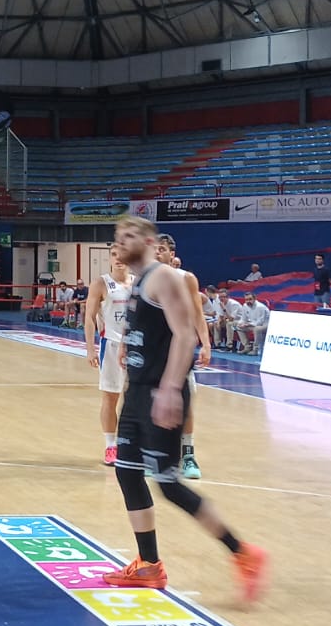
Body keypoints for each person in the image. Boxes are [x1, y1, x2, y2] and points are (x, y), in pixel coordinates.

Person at [102, 215, 266, 599]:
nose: (121, 242)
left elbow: (184, 334)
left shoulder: (163, 277)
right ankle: (148, 564)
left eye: (129, 236)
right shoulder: (139, 281)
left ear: (149, 241)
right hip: (138, 391)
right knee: (127, 473)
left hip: (161, 392)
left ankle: (243, 553)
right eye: (118, 237)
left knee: (169, 485)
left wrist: (171, 389)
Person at [154, 234, 211, 480]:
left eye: (162, 249)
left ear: (172, 254)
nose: (157, 253)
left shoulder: (185, 278)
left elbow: (197, 313)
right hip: (154, 350)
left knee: (184, 404)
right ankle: (157, 455)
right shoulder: (144, 279)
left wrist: (206, 344)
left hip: (180, 350)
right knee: (152, 403)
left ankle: (188, 455)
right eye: (155, 249)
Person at [83, 250, 132, 466]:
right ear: (109, 258)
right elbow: (89, 317)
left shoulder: (138, 283)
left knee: (137, 399)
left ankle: (134, 445)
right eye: (114, 254)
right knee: (110, 398)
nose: (118, 258)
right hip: (111, 345)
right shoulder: (100, 283)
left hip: (136, 347)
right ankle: (111, 445)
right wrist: (90, 348)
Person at [234, 292, 270, 356]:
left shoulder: (260, 307)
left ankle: (255, 349)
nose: (248, 301)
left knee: (257, 329)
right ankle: (247, 347)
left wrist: (248, 324)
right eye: (246, 299)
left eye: (250, 299)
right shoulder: (245, 306)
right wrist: (240, 323)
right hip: (252, 324)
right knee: (238, 326)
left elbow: (260, 321)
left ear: (255, 299)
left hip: (265, 325)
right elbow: (243, 318)